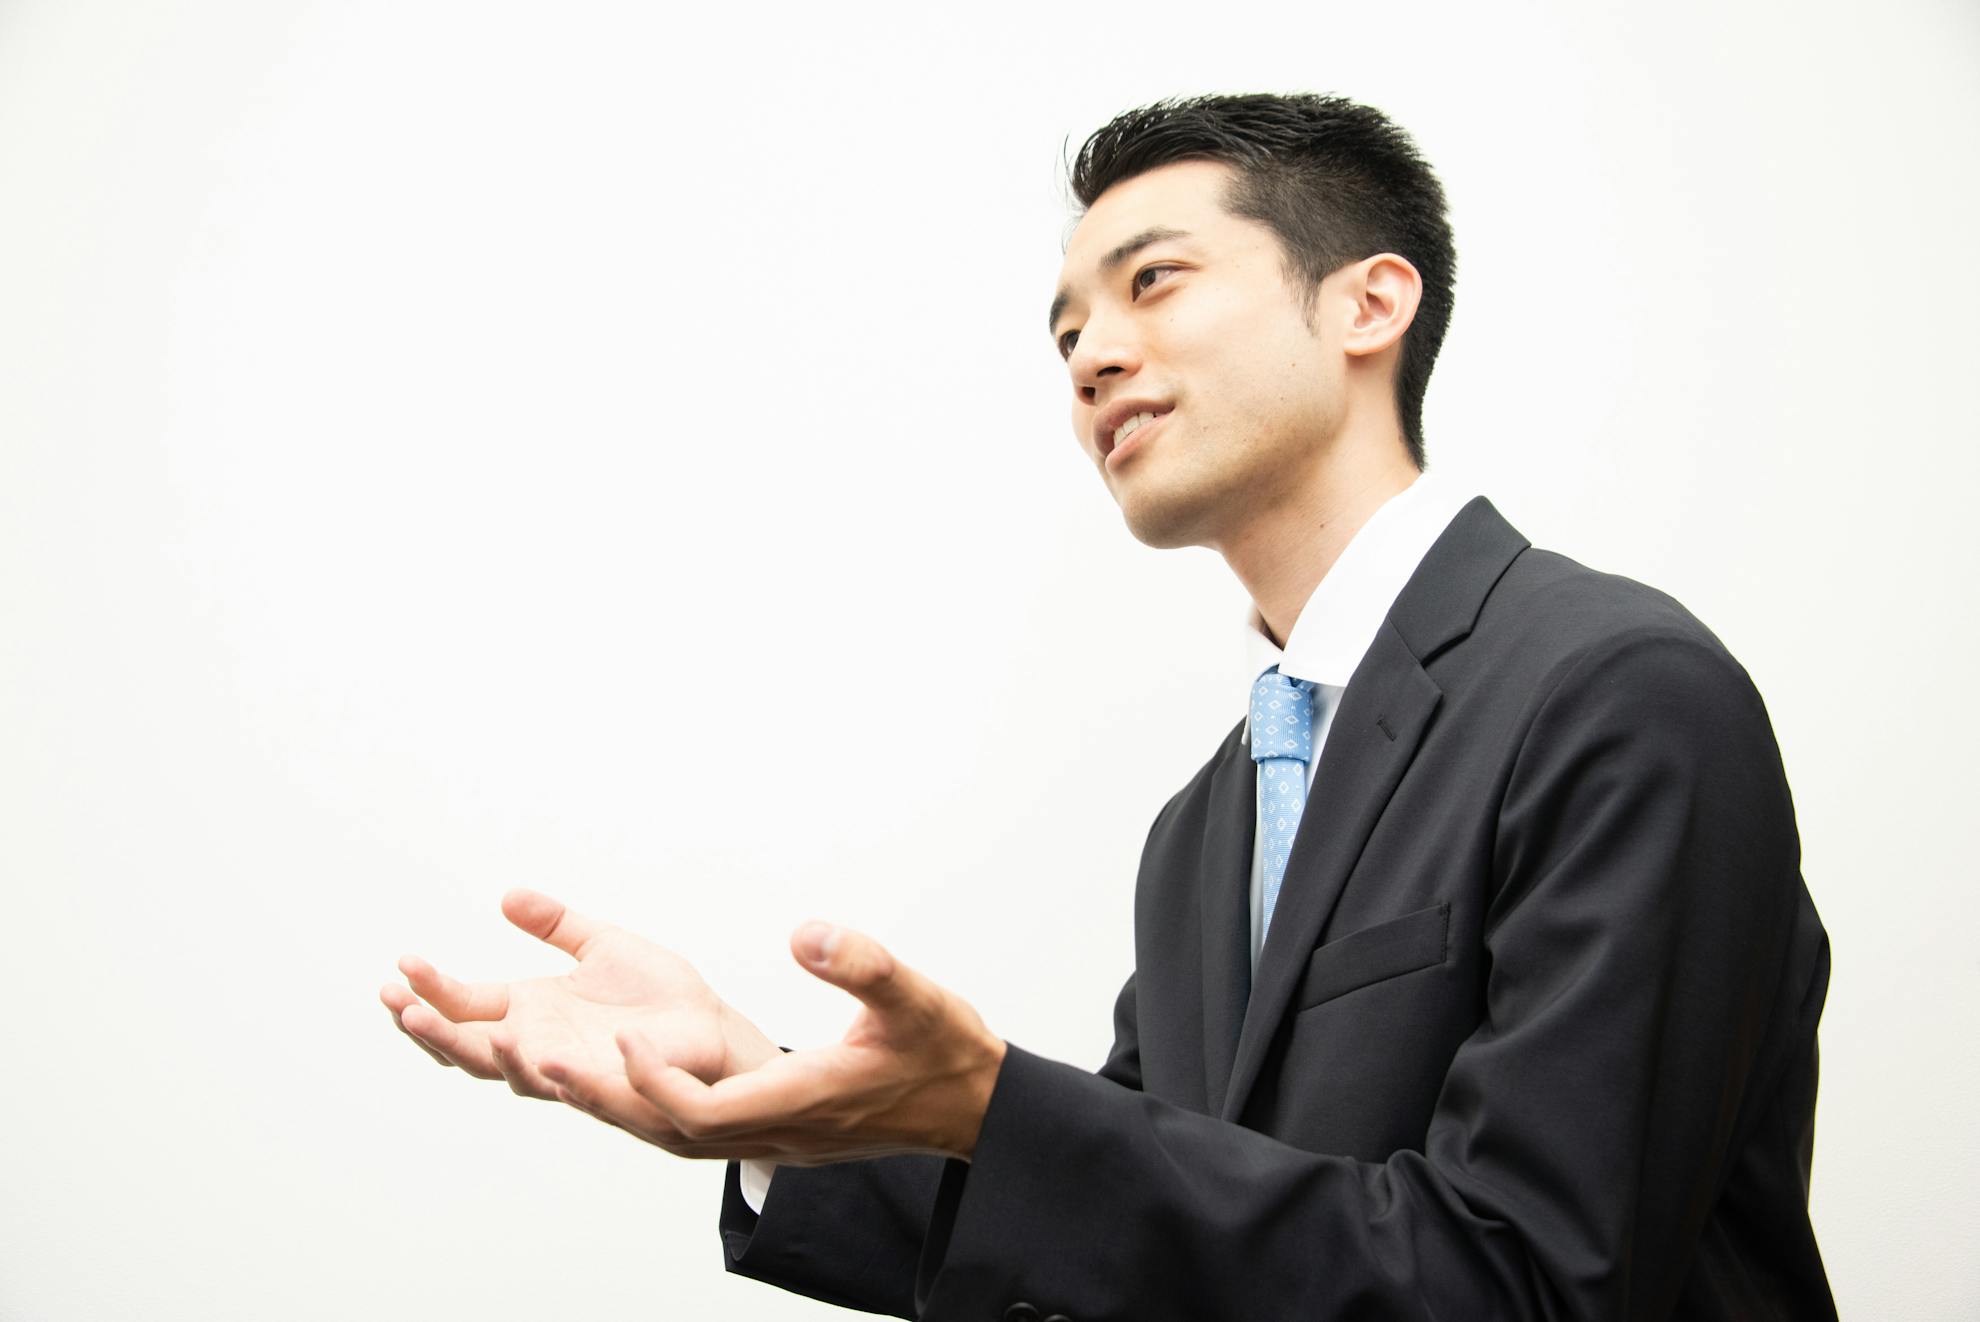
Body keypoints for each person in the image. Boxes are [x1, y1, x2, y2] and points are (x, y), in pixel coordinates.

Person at [380, 92, 1838, 1320]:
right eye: (1067, 330)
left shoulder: (1617, 693)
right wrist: (762, 1095)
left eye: (1154, 284)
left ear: (1370, 302)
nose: (1091, 356)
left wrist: (994, 1104)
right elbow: (1142, 1240)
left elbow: (1535, 1282)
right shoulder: (1204, 827)